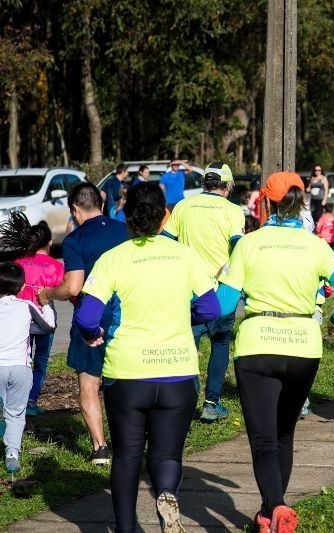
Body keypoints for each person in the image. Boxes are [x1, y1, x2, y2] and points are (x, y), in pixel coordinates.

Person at [73, 183, 221, 533]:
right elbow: (211, 307)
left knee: (126, 455)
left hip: (128, 373)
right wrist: (186, 318)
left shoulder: (114, 259)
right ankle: (166, 493)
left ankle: (126, 528)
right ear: (165, 216)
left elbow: (86, 316)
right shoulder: (185, 256)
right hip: (178, 371)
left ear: (124, 216)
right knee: (167, 455)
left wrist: (92, 335)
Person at [216, 184, 334, 533]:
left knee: (263, 439)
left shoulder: (248, 243)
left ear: (265, 203)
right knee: (284, 434)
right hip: (303, 347)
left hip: (257, 345)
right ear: (301, 206)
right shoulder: (316, 244)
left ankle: (276, 505)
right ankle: (269, 517)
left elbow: (222, 305)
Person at [41, 182, 129, 465]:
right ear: (101, 204)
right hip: (126, 315)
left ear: (75, 210)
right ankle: (129, 442)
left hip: (90, 319)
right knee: (123, 381)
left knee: (89, 384)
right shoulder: (125, 231)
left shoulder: (75, 240)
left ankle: (100, 448)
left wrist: (47, 294)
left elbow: (73, 287)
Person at [162, 162, 245, 422]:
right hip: (221, 291)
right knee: (220, 343)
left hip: (187, 291)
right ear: (228, 186)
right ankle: (211, 403)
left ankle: (184, 404)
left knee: (189, 347)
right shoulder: (233, 211)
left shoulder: (183, 207)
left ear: (204, 183)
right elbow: (238, 246)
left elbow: (166, 241)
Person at [0, 213, 63, 417]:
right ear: (50, 243)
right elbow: (64, 291)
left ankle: (12, 400)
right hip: (44, 320)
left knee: (23, 360)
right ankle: (31, 401)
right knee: (41, 361)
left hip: (22, 320)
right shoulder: (56, 267)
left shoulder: (19, 262)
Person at [0, 262, 56, 473]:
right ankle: (12, 454)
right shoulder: (26, 306)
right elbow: (48, 326)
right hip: (20, 369)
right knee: (15, 413)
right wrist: (46, 303)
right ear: (22, 286)